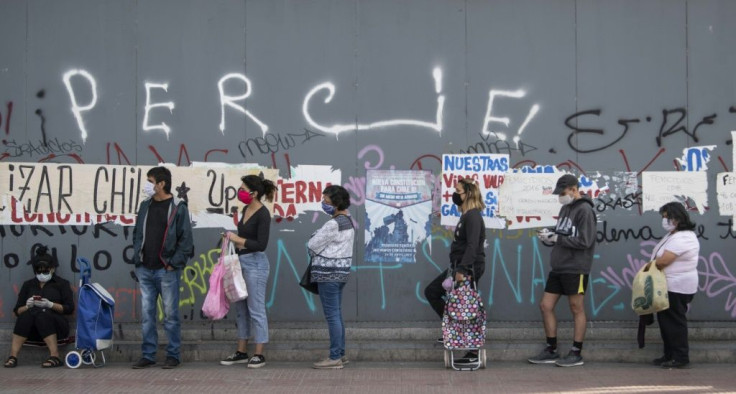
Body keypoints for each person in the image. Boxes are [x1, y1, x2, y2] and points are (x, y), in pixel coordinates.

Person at [529, 174, 596, 367]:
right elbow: (565, 234)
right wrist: (550, 236)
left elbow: (586, 241)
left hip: (576, 268)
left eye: (564, 192)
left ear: (575, 189)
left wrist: (557, 239)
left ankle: (576, 352)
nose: (561, 196)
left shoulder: (585, 210)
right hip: (558, 267)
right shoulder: (565, 208)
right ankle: (551, 349)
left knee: (576, 308)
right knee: (545, 305)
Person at [131, 166, 194, 369]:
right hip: (145, 269)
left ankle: (173, 355)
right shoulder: (145, 206)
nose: (147, 185)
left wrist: (172, 264)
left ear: (161, 184)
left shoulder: (178, 207)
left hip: (166, 270)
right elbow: (137, 233)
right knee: (147, 315)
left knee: (171, 315)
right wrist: (137, 258)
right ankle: (148, 355)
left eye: (150, 181)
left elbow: (186, 240)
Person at [424, 177, 486, 364]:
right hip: (460, 266)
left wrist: (462, 269)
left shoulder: (473, 216)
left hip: (467, 268)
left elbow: (473, 245)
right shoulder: (466, 215)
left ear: (468, 194)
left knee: (465, 306)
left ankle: (471, 349)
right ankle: (452, 330)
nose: (455, 195)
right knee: (441, 296)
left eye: (458, 191)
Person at [220, 174, 277, 369]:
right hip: (241, 261)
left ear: (253, 193)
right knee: (241, 309)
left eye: (243, 188)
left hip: (256, 264)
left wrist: (236, 239)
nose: (240, 192)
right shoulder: (245, 209)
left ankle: (259, 353)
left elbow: (261, 244)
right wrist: (232, 240)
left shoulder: (263, 214)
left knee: (256, 308)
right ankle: (241, 351)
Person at [307, 185, 355, 369]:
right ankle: (340, 354)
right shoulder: (347, 220)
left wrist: (315, 235)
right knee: (337, 315)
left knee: (332, 315)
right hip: (341, 274)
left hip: (328, 275)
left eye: (326, 199)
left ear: (335, 202)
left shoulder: (333, 223)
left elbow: (312, 245)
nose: (323, 202)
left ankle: (334, 357)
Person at [4, 246, 74, 368]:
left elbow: (69, 308)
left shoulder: (62, 284)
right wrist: (27, 306)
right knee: (26, 314)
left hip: (56, 327)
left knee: (43, 312)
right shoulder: (28, 285)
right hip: (32, 329)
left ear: (52, 269)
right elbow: (17, 311)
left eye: (45, 271)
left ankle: (55, 356)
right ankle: (13, 356)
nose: (42, 274)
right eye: (39, 271)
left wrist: (50, 304)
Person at [650, 202, 699, 369]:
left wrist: (652, 265)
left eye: (667, 217)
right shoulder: (673, 234)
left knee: (674, 322)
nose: (664, 221)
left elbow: (664, 260)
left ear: (677, 218)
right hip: (668, 286)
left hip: (677, 287)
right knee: (666, 322)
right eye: (663, 217)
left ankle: (680, 357)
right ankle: (669, 354)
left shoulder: (684, 237)